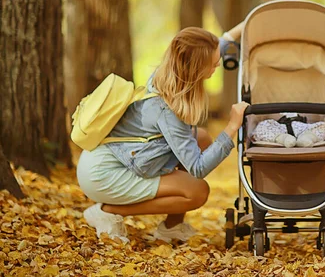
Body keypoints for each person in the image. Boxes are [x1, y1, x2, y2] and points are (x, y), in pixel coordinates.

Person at [77, 24, 247, 243]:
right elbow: (197, 168)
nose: (217, 67)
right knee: (196, 192)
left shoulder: (168, 74)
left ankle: (171, 227)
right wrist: (231, 126)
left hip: (117, 156)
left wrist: (243, 27)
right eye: (213, 65)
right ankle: (107, 211)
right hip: (104, 174)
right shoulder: (168, 110)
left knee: (202, 137)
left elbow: (212, 47)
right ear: (194, 68)